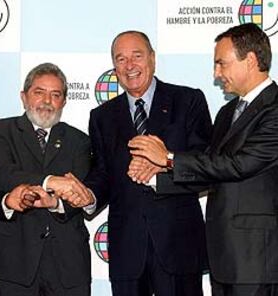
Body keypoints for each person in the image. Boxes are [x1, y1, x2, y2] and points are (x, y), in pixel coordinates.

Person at [131, 23, 278, 296]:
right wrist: (155, 177)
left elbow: (240, 165)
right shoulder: (227, 112)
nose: (216, 74)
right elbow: (209, 168)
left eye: (221, 64)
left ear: (251, 60)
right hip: (223, 258)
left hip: (256, 258)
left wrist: (169, 157)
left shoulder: (274, 107)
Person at [81, 31, 213, 296]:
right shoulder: (101, 117)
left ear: (152, 59)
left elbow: (206, 166)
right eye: (121, 59)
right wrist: (87, 196)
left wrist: (165, 165)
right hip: (127, 250)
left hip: (179, 246)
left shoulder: (188, 101)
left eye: (137, 56)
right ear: (114, 67)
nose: (129, 65)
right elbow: (103, 176)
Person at [0, 62, 92, 296]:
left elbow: (80, 192)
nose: (47, 101)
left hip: (68, 263)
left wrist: (57, 204)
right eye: (39, 92)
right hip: (16, 261)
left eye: (55, 95)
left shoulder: (79, 141)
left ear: (64, 101)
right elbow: (2, 175)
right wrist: (52, 181)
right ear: (24, 97)